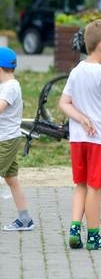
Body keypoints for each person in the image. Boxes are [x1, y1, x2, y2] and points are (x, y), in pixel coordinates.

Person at [58, 20, 101, 250]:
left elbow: (64, 103)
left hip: (78, 138)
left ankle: (75, 229)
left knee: (81, 184)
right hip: (99, 140)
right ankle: (94, 237)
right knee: (95, 187)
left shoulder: (77, 70)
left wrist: (80, 117)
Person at [0, 47, 33, 232]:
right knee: (12, 179)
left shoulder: (11, 87)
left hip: (5, 141)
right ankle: (25, 218)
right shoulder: (5, 86)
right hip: (6, 138)